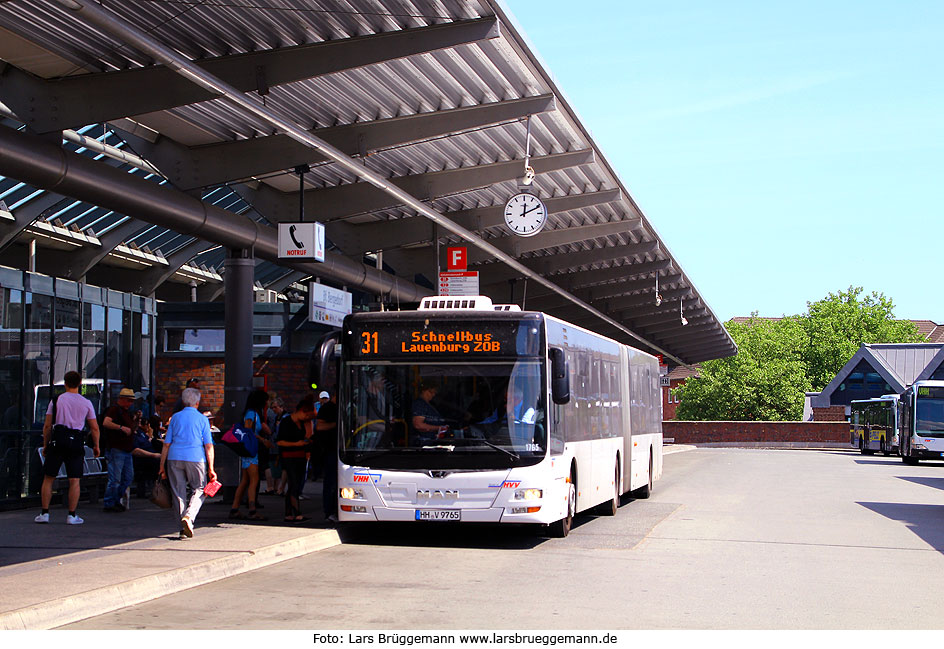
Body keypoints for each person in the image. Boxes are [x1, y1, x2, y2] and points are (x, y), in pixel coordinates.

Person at [35, 371, 101, 525]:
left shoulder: (56, 401)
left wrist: (46, 444)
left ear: (65, 383)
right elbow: (95, 428)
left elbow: (47, 425)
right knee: (74, 480)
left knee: (49, 478)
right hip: (76, 441)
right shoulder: (86, 403)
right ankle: (71, 515)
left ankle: (45, 513)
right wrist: (96, 445)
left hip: (58, 440)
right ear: (80, 384)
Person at [159, 387, 216, 539]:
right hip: (196, 457)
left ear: (183, 401)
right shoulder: (203, 419)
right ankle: (189, 517)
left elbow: (166, 443)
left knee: (178, 492)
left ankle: (181, 529)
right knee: (200, 488)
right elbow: (208, 445)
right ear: (197, 402)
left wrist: (161, 466)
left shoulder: (175, 418)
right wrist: (211, 467)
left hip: (174, 457)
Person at [229, 389, 272, 520]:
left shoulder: (252, 413)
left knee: (245, 480)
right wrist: (262, 440)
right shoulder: (251, 414)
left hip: (249, 450)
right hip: (251, 451)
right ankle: (252, 510)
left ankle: (235, 508)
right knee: (254, 480)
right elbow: (248, 433)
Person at [277, 395, 317, 522]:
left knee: (296, 484)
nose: (307, 419)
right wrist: (296, 444)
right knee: (293, 483)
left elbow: (308, 436)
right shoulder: (286, 421)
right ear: (301, 411)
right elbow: (279, 442)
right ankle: (297, 512)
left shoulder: (302, 423)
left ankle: (289, 513)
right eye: (306, 416)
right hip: (289, 456)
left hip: (300, 456)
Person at [102, 387, 138, 512]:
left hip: (126, 449)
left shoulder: (126, 412)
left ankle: (116, 499)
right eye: (128, 400)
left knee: (128, 477)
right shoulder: (113, 410)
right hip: (116, 448)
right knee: (116, 478)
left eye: (131, 401)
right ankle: (110, 502)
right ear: (121, 399)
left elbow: (132, 429)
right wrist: (121, 428)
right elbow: (106, 423)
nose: (130, 403)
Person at [315, 390, 339, 523]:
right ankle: (328, 511)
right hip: (329, 449)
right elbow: (319, 426)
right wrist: (337, 424)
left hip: (337, 449)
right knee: (330, 481)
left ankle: (333, 510)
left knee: (335, 482)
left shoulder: (341, 406)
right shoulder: (327, 408)